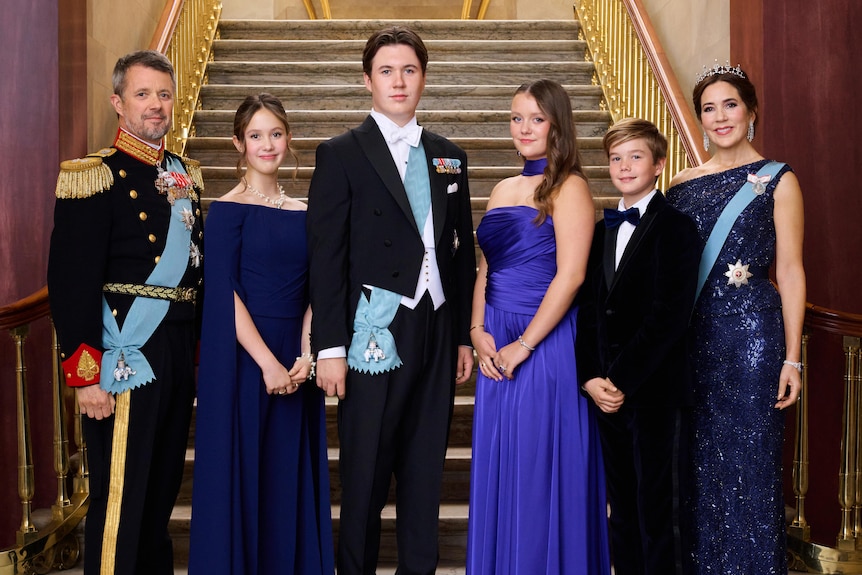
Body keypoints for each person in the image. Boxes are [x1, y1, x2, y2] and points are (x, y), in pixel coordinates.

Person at [306, 26, 476, 575]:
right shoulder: (341, 154)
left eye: (409, 70)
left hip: (435, 324)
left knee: (425, 472)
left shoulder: (450, 156)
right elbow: (326, 258)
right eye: (386, 70)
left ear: (424, 77)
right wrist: (328, 345)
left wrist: (459, 338)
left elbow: (459, 256)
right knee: (365, 475)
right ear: (367, 80)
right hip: (372, 330)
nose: (398, 80)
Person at [47, 50, 204, 574]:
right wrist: (85, 376)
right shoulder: (94, 176)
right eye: (142, 94)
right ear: (118, 102)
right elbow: (70, 284)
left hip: (178, 352)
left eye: (163, 94)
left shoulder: (185, 176)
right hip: (126, 355)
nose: (155, 106)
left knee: (158, 501)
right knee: (120, 502)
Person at [466, 79, 610, 574]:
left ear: (557, 125)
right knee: (503, 465)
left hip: (542, 341)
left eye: (536, 118)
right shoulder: (503, 188)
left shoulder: (570, 186)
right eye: (515, 118)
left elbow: (571, 277)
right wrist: (477, 330)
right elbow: (487, 267)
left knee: (537, 469)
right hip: (496, 338)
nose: (524, 128)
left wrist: (522, 346)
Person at [667, 64, 805, 575]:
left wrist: (793, 358)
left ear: (750, 112)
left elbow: (789, 270)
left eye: (730, 105)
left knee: (751, 464)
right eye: (708, 108)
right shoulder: (678, 184)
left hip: (753, 343)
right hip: (693, 342)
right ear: (699, 118)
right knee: (697, 467)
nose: (720, 116)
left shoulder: (777, 180)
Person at [187, 94, 333, 574]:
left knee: (285, 478)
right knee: (244, 475)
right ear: (238, 143)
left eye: (275, 133)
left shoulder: (306, 210)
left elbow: (318, 290)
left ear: (288, 139)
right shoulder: (226, 211)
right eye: (255, 135)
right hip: (245, 360)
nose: (267, 144)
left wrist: (306, 354)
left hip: (296, 356)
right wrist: (268, 363)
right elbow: (223, 295)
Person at [577, 117, 701, 575]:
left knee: (657, 509)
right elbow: (588, 311)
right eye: (615, 158)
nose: (624, 166)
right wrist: (591, 377)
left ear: (659, 164)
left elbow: (669, 317)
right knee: (621, 506)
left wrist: (620, 378)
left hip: (652, 392)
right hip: (605, 395)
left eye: (635, 156)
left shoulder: (678, 229)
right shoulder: (601, 229)